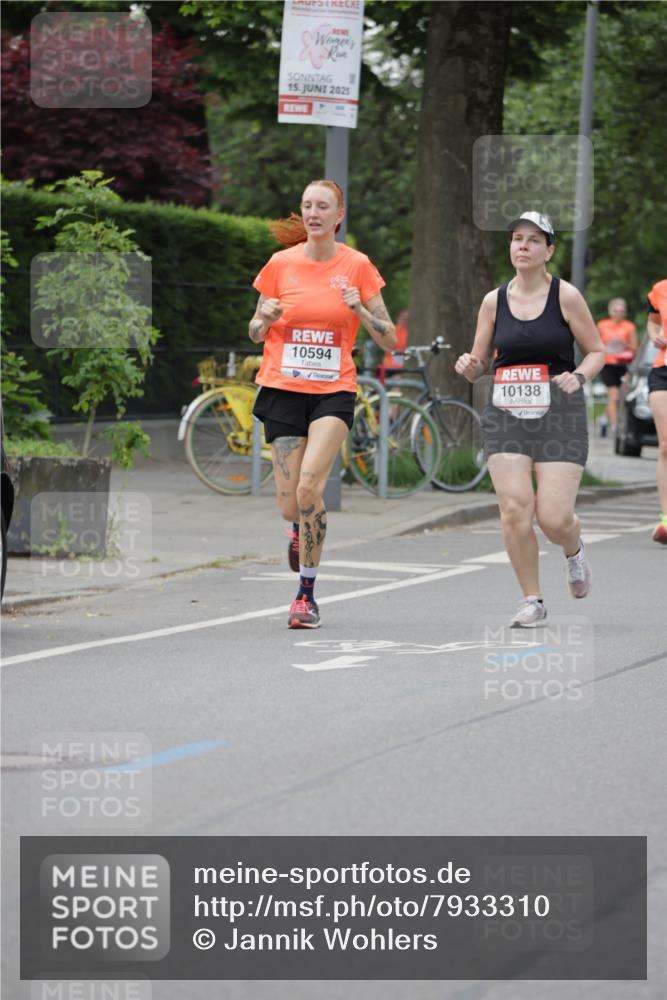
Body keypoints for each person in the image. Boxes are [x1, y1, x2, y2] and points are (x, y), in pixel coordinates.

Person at [248, 179, 396, 628]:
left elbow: (388, 338)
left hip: (333, 391)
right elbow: (254, 331)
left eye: (322, 206)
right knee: (290, 503)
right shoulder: (280, 265)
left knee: (311, 487)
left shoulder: (357, 267)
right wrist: (264, 318)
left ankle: (305, 596)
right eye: (307, 205)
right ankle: (297, 529)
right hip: (282, 388)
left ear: (339, 215)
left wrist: (361, 311)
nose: (313, 213)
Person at [455, 211, 605, 628]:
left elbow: (596, 351)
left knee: (554, 518)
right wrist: (470, 366)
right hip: (506, 414)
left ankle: (573, 549)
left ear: (549, 251)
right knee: (515, 508)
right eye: (517, 239)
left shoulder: (566, 296)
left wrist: (579, 376)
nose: (522, 246)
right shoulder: (493, 300)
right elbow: (481, 361)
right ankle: (532, 599)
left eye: (533, 240)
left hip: (560, 414)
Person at [645, 278, 667, 544]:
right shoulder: (660, 289)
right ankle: (666, 519)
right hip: (663, 370)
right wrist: (654, 335)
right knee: (665, 446)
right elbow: (652, 320)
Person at [596, 298, 637, 436]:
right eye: (616, 310)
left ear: (624, 312)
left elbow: (635, 349)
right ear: (610, 311)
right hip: (607, 364)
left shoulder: (629, 326)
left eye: (621, 311)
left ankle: (603, 419)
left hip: (623, 364)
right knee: (613, 396)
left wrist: (625, 344)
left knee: (620, 397)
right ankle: (615, 427)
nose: (618, 313)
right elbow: (595, 345)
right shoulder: (602, 325)